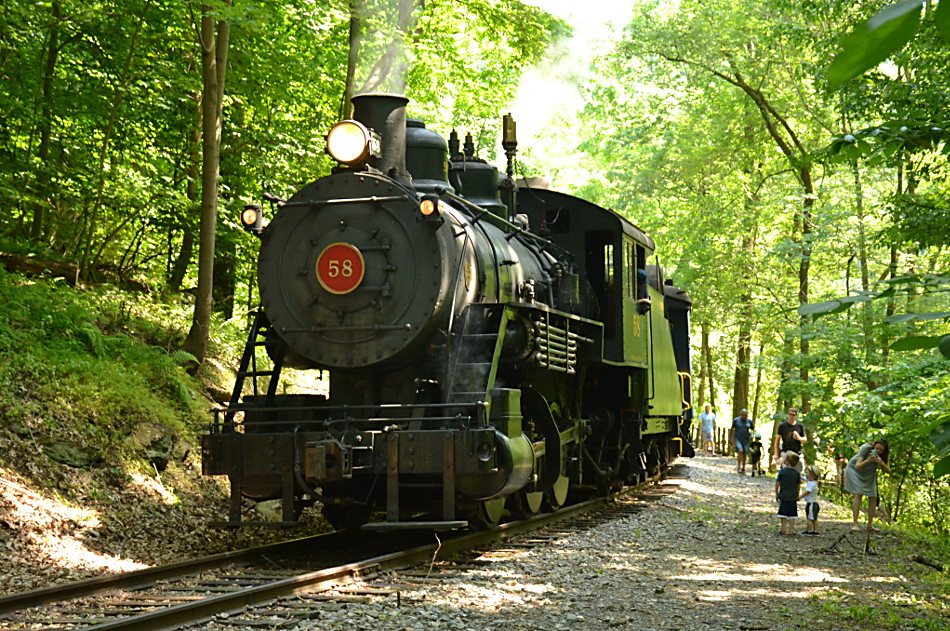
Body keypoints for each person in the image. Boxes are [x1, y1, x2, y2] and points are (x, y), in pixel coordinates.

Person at [844, 439, 890, 532]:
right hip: (855, 470)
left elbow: (888, 470)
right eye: (877, 448)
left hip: (869, 474)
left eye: (881, 450)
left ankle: (870, 525)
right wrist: (868, 460)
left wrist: (881, 462)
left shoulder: (885, 455)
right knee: (858, 494)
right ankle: (855, 524)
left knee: (873, 497)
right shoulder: (865, 448)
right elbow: (857, 466)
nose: (878, 451)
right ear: (874, 447)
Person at [775, 452, 802, 535]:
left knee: (783, 513)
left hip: (783, 495)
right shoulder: (797, 474)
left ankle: (783, 529)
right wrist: (797, 494)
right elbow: (798, 485)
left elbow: (777, 483)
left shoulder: (782, 472)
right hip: (793, 496)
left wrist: (777, 493)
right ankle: (791, 529)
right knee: (792, 514)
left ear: (787, 461)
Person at [773, 407, 807, 473]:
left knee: (799, 473)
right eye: (790, 414)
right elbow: (777, 440)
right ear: (787, 415)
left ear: (796, 416)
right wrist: (776, 454)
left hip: (797, 453)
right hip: (786, 452)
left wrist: (798, 438)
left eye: (793, 415)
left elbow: (805, 439)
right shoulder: (782, 426)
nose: (791, 416)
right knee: (786, 472)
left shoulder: (800, 426)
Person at [799, 465, 820, 535]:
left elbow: (807, 491)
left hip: (811, 504)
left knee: (809, 518)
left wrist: (800, 497)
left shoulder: (812, 484)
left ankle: (809, 530)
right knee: (814, 518)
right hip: (813, 503)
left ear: (812, 475)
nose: (806, 474)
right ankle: (816, 530)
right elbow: (804, 478)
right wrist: (800, 476)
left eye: (808, 473)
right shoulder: (812, 482)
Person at [732, 409, 754, 474]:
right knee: (740, 450)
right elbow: (732, 429)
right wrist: (730, 439)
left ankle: (743, 468)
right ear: (741, 415)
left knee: (745, 454)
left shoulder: (749, 421)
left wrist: (752, 435)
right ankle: (738, 467)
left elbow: (752, 429)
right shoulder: (736, 420)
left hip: (746, 440)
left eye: (746, 415)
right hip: (738, 438)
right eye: (744, 415)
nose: (745, 416)